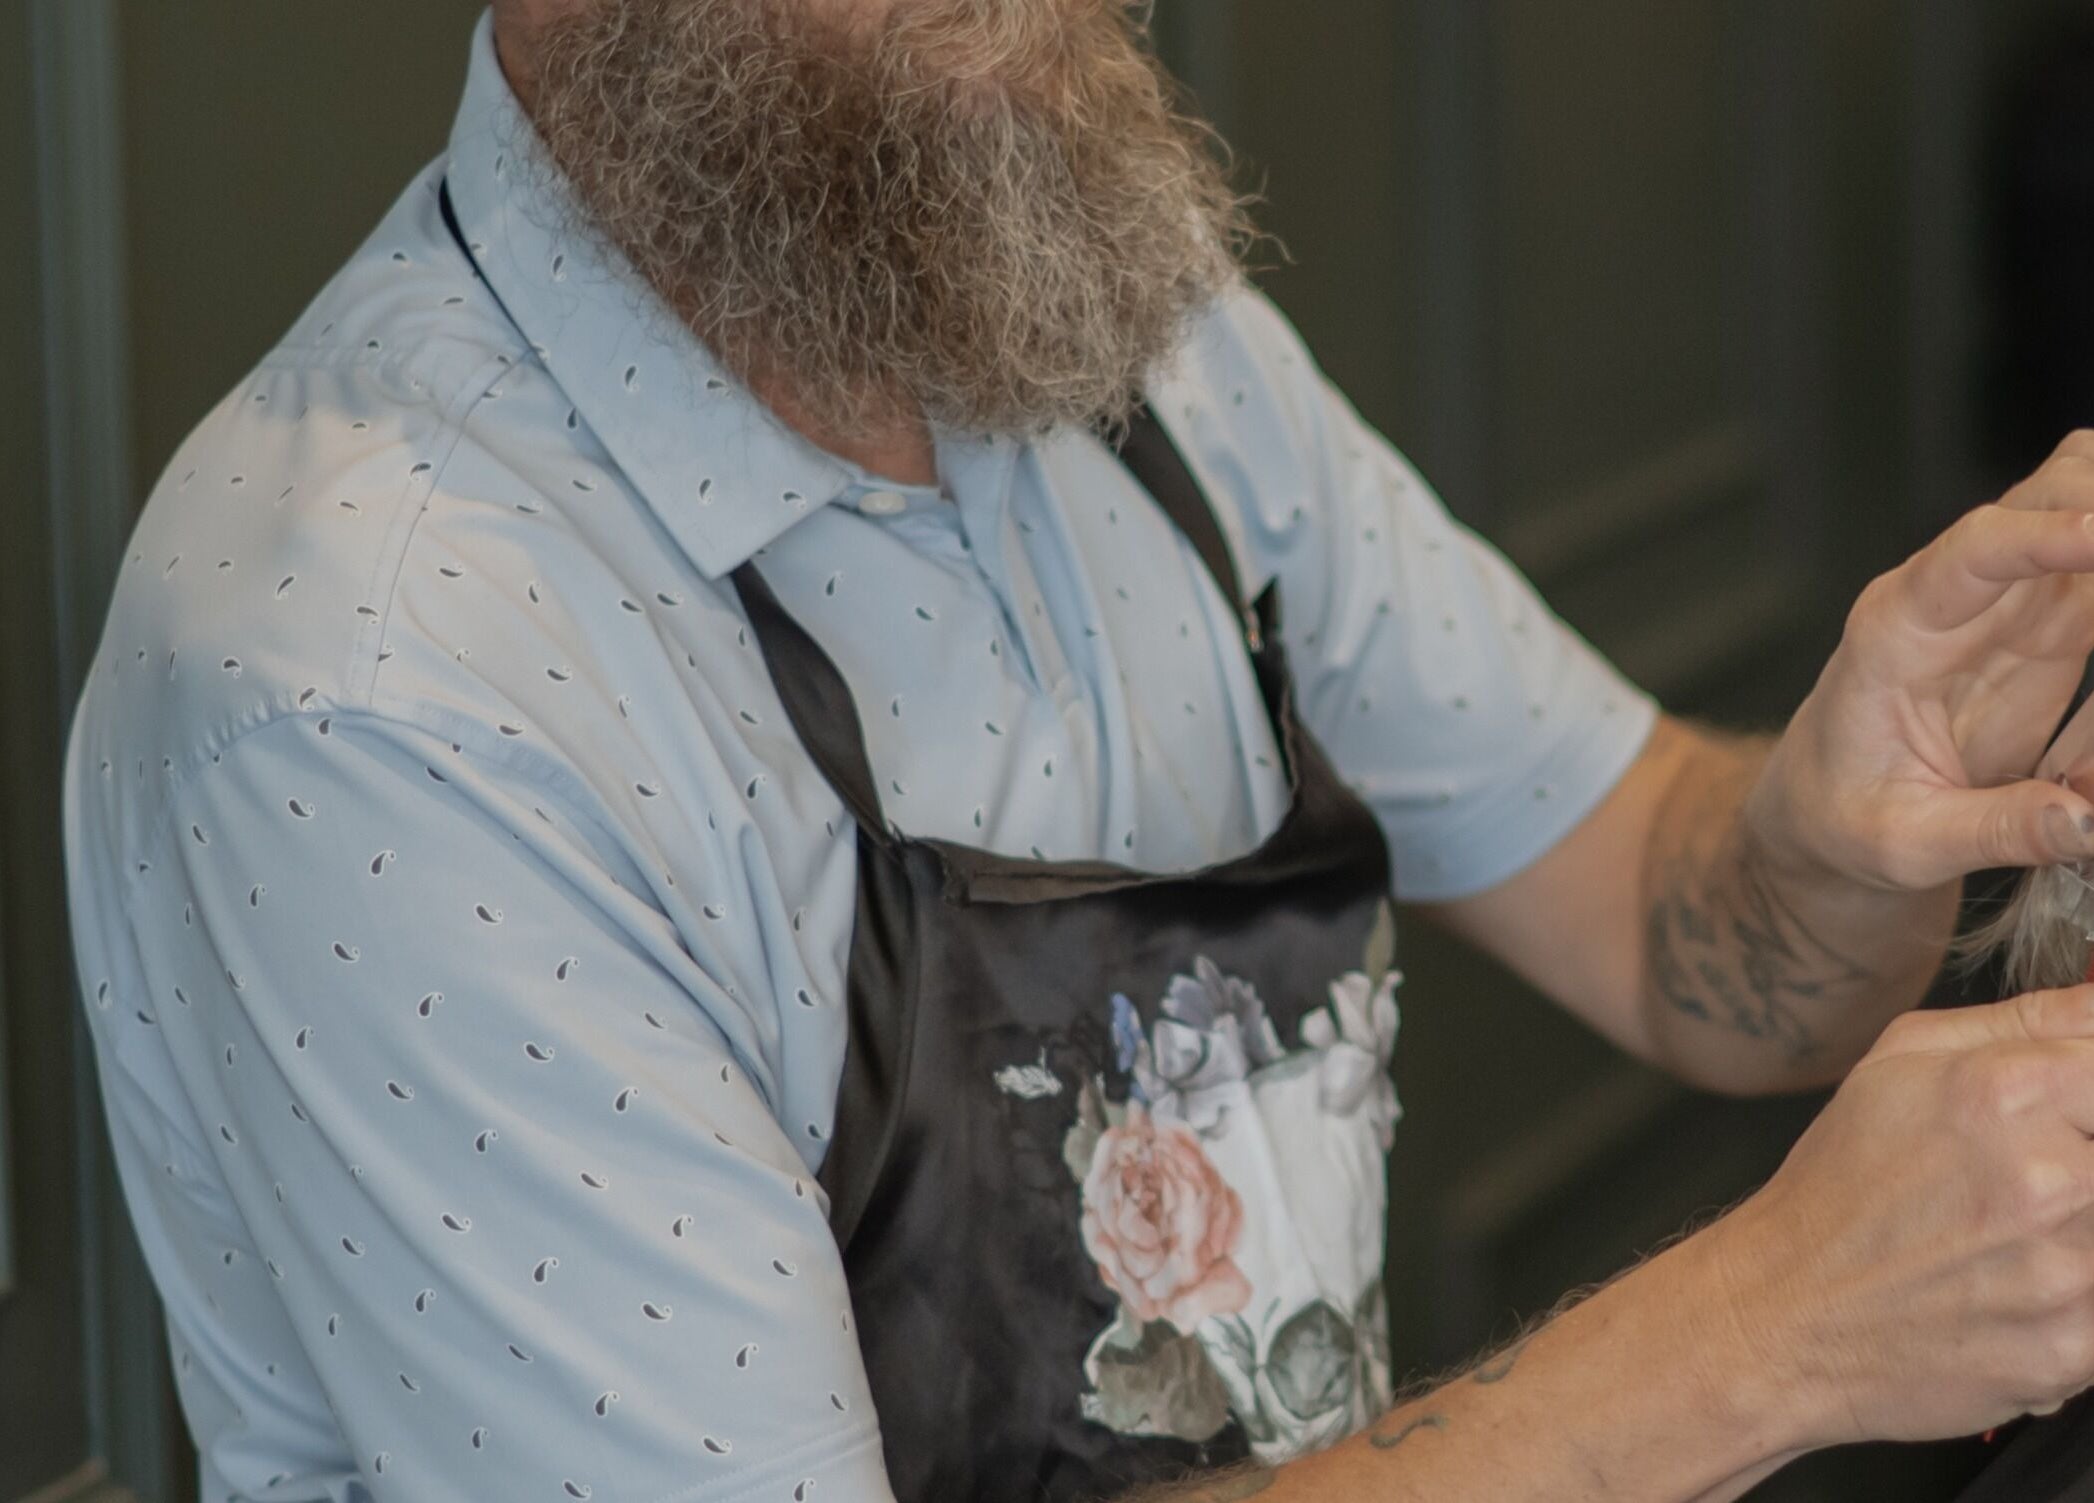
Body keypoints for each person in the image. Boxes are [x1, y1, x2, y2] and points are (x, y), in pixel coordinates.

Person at [56, 2, 2094, 1500]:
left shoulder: (1098, 305)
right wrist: (1772, 1328)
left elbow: (1673, 924)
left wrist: (1841, 824)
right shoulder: (372, 675)